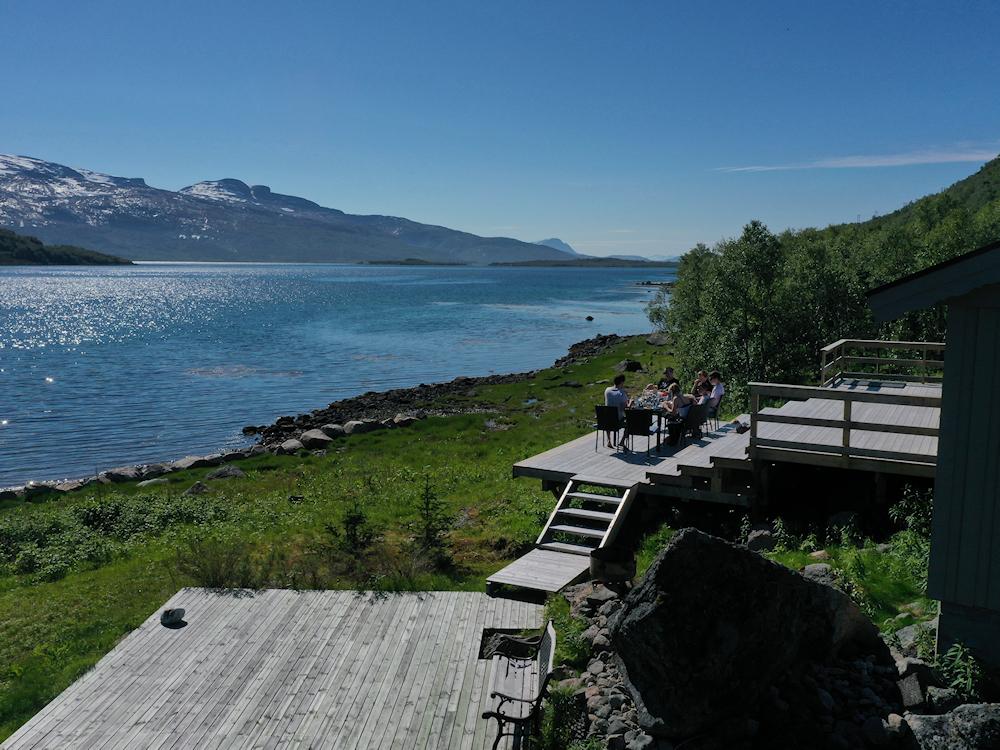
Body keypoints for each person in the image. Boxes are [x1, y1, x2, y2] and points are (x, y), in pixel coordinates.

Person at [603, 374, 630, 447]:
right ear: (621, 382)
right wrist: (630, 403)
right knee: (630, 423)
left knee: (609, 417)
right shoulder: (621, 393)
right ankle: (622, 441)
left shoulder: (607, 390)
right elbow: (625, 409)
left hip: (606, 420)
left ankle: (609, 440)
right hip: (617, 420)